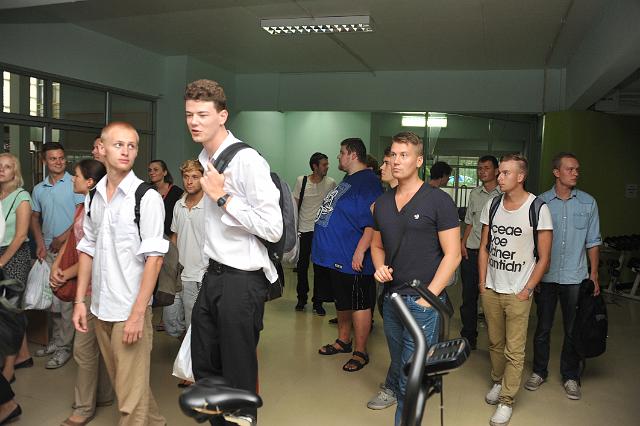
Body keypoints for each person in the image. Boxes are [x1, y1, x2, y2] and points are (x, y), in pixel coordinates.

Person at [185, 79, 282, 425]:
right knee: (205, 368)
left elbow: (273, 227)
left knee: (238, 376)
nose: (194, 121)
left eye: (202, 114)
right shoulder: (205, 158)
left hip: (242, 281)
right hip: (214, 275)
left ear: (222, 116)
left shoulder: (247, 161)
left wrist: (223, 198)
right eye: (189, 114)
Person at [73, 122, 168, 425]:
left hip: (129, 309)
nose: (126, 151)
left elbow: (154, 259)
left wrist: (138, 314)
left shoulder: (146, 197)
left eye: (132, 145)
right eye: (118, 144)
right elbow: (87, 248)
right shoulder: (94, 196)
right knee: (127, 385)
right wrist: (80, 301)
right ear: (101, 149)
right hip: (101, 307)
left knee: (129, 400)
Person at [369, 132, 460, 423]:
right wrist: (379, 267)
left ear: (419, 161)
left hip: (423, 303)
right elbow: (377, 245)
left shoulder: (438, 201)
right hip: (392, 300)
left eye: (404, 155)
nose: (396, 161)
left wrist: (428, 299)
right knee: (400, 367)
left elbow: (453, 255)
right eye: (393, 155)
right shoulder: (382, 203)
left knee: (411, 378)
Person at [478, 154, 553, 426]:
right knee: (495, 343)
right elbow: (484, 248)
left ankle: (507, 400)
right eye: (499, 172)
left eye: (505, 173)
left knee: (515, 349)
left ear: (521, 177)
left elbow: (544, 257)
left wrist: (528, 289)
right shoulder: (493, 204)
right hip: (492, 288)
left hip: (519, 291)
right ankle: (498, 382)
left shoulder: (538, 208)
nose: (499, 177)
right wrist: (482, 283)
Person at [524, 152, 601, 400]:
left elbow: (593, 241)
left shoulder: (588, 203)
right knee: (543, 328)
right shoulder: (540, 203)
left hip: (575, 278)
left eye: (577, 169)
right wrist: (533, 277)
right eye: (570, 169)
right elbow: (532, 243)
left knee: (572, 329)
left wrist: (594, 275)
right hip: (546, 278)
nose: (575, 173)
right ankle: (539, 371)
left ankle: (570, 376)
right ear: (556, 172)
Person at [51, 159, 114, 426]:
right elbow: (73, 243)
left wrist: (67, 273)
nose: (72, 179)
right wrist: (57, 264)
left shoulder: (102, 209)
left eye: (75, 176)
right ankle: (102, 395)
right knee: (95, 347)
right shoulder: (83, 206)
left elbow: (95, 252)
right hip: (85, 286)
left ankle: (84, 408)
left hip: (95, 288)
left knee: (85, 350)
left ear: (89, 182)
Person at [315, 138, 382, 373]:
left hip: (353, 257)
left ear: (353, 155)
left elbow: (373, 222)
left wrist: (360, 251)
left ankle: (361, 352)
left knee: (359, 303)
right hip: (337, 256)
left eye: (341, 152)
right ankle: (344, 340)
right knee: (342, 301)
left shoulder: (369, 183)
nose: (338, 156)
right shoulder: (349, 179)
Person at [30, 142, 84, 369]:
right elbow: (34, 218)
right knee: (51, 302)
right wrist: (40, 243)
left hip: (70, 253)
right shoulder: (39, 189)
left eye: (61, 158)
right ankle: (55, 341)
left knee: (66, 303)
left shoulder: (74, 183)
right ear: (44, 161)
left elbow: (82, 216)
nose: (58, 162)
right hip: (48, 252)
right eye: (53, 158)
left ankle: (64, 348)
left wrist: (63, 238)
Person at [163, 159, 207, 343]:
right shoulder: (179, 204)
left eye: (195, 177)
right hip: (178, 274)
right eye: (186, 176)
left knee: (193, 324)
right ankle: (188, 347)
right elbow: (175, 236)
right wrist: (170, 267)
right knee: (171, 322)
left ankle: (192, 353)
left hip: (199, 275)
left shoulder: (210, 206)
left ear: (203, 178)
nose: (189, 181)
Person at [459, 155, 500, 349]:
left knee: (493, 299)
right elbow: (470, 221)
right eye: (479, 168)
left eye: (486, 168)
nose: (482, 171)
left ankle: (496, 341)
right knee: (469, 297)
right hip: (472, 251)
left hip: (494, 256)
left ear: (496, 171)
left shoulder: (503, 194)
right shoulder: (475, 193)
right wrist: (463, 243)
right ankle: (469, 338)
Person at [0, 154, 33, 384]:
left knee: (9, 311)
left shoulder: (22, 196)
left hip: (15, 256)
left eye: (7, 167)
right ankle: (24, 355)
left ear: (15, 172)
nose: (2, 170)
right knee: (10, 311)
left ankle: (9, 370)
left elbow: (21, 235)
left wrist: (2, 262)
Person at [293, 152, 337, 314]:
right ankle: (301, 298)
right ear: (315, 166)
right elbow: (295, 206)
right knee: (302, 267)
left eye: (327, 164)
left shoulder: (331, 183)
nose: (327, 167)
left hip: (321, 232)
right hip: (304, 230)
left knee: (320, 269)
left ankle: (318, 302)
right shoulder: (301, 181)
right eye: (324, 164)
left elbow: (333, 208)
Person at [148, 159, 183, 236]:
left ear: (165, 172)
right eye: (150, 170)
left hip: (170, 236)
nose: (151, 172)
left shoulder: (176, 192)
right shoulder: (147, 191)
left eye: (155, 170)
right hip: (151, 235)